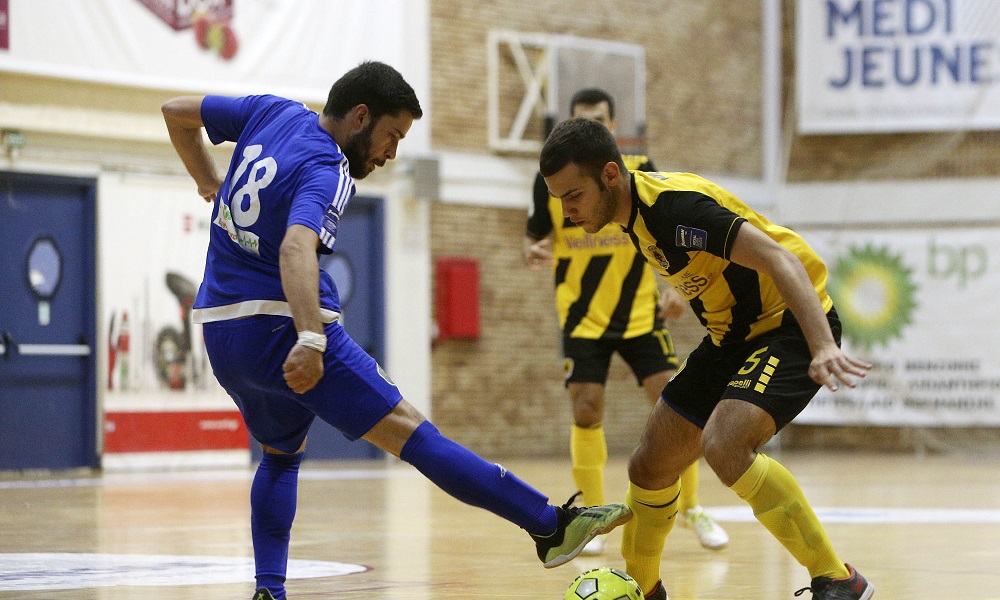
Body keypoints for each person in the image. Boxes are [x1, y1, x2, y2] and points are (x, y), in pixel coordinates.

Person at [161, 61, 632, 600]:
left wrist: (208, 181)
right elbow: (295, 247)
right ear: (360, 117)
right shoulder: (328, 167)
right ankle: (548, 525)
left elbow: (176, 115)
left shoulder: (271, 111)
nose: (391, 152)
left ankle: (270, 588)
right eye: (392, 135)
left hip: (221, 335)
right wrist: (311, 338)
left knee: (280, 454)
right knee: (416, 435)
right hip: (281, 329)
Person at [539, 117, 875, 600]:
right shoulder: (632, 218)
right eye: (559, 200)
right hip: (730, 338)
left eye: (574, 196)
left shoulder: (674, 209)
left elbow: (782, 259)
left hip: (788, 326)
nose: (567, 210)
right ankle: (645, 590)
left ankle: (839, 581)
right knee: (649, 466)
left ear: (610, 175)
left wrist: (821, 344)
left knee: (725, 444)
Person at [524, 88, 728, 555]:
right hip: (581, 317)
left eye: (598, 120)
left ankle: (692, 506)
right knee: (586, 409)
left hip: (640, 313)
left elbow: (672, 233)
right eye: (580, 121)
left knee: (679, 404)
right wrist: (532, 252)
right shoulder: (550, 180)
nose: (590, 128)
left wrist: (677, 288)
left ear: (614, 128)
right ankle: (590, 519)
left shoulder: (640, 171)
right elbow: (533, 238)